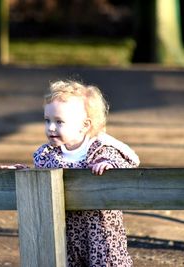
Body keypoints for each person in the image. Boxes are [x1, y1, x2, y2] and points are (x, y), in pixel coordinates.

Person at [33, 80, 140, 266]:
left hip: (100, 230)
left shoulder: (101, 149)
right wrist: (23, 174)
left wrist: (109, 165)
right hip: (65, 230)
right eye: (47, 120)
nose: (50, 128)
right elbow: (39, 178)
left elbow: (128, 162)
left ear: (84, 126)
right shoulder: (47, 154)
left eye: (59, 122)